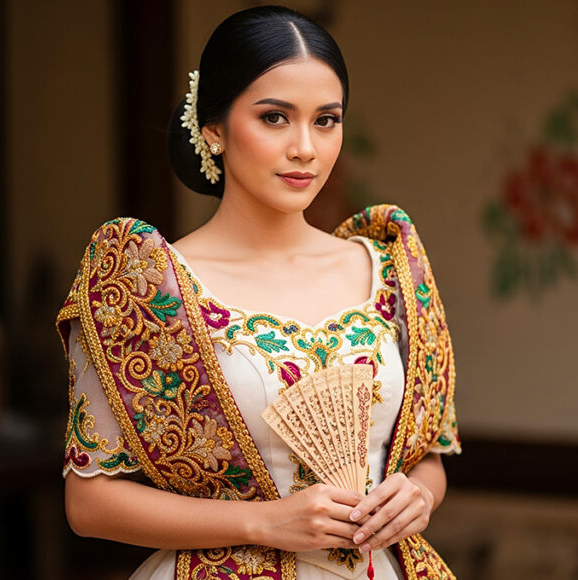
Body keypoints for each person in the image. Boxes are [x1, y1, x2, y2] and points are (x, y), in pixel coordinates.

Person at [56, 6, 460, 579]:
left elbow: (430, 457)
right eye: (275, 118)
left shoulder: (390, 269)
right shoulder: (147, 288)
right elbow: (90, 503)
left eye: (326, 120)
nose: (305, 148)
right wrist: (263, 522)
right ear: (214, 128)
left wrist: (419, 496)